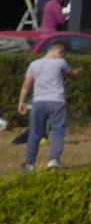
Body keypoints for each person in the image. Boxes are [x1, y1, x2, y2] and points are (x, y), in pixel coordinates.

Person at [19, 36, 70, 171]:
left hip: (38, 101)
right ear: (59, 51)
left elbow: (26, 84)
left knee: (35, 133)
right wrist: (77, 73)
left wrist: (21, 102)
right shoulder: (61, 62)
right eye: (63, 53)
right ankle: (54, 160)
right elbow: (71, 75)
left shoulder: (34, 64)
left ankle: (30, 163)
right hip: (57, 101)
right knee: (58, 131)